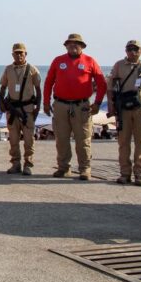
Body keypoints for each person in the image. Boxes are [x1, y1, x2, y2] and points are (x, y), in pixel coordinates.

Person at [43, 33, 107, 180]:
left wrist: (97, 103)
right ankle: (63, 168)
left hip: (81, 106)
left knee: (83, 139)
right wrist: (46, 103)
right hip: (60, 105)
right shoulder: (58, 61)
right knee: (61, 139)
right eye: (70, 43)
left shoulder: (90, 61)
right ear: (65, 46)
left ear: (82, 46)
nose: (73, 46)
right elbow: (48, 82)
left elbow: (102, 83)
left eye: (76, 43)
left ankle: (85, 169)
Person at [107, 40, 141, 186]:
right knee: (123, 141)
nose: (132, 52)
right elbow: (110, 86)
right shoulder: (119, 65)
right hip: (123, 107)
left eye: (135, 49)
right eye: (129, 49)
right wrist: (111, 106)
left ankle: (139, 174)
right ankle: (125, 173)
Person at [0, 43, 42, 175]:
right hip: (12, 110)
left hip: (27, 109)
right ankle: (15, 163)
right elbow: (3, 87)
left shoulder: (32, 70)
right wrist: (1, 102)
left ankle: (28, 164)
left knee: (29, 139)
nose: (19, 55)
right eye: (16, 53)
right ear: (12, 54)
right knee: (13, 139)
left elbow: (38, 90)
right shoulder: (8, 69)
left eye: (21, 53)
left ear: (25, 54)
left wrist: (38, 107)